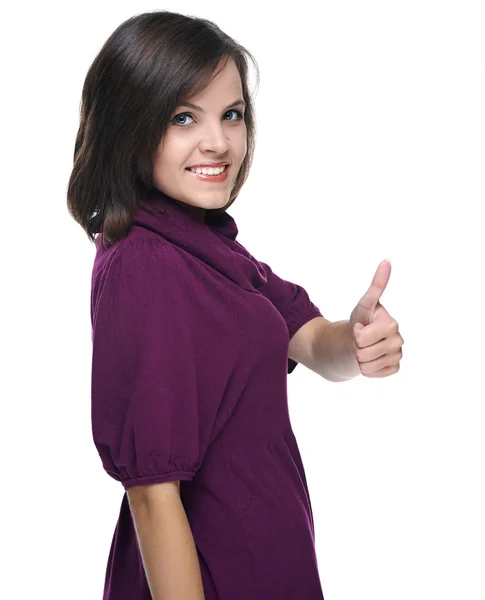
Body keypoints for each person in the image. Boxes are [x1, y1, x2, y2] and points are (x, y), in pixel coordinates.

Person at [67, 10, 404, 600]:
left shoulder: (206, 245)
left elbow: (308, 339)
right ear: (129, 125)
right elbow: (152, 491)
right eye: (182, 117)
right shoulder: (146, 266)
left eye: (231, 114)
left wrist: (356, 344)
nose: (218, 142)